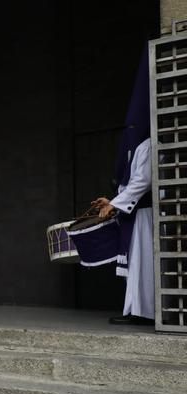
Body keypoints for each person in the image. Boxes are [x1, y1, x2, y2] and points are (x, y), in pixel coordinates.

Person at [94, 48, 153, 326]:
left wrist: (115, 204)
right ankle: (135, 309)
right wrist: (114, 200)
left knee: (144, 264)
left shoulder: (148, 145)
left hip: (146, 215)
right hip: (134, 213)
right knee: (136, 264)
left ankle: (144, 311)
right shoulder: (138, 144)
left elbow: (142, 181)